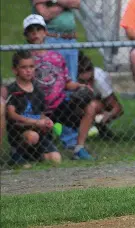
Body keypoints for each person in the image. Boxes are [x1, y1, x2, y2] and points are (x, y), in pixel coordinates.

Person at [23, 14, 99, 160]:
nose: (35, 33)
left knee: (90, 107)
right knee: (47, 153)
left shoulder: (56, 56)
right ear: (26, 35)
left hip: (58, 105)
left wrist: (80, 86)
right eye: (31, 30)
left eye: (39, 29)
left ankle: (79, 148)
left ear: (45, 32)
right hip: (38, 108)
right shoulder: (26, 59)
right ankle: (28, 151)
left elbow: (66, 82)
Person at [6, 51, 61, 166]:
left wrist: (46, 120)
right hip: (21, 134)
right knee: (32, 136)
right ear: (15, 70)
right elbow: (12, 115)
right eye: (24, 67)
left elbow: (40, 113)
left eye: (31, 66)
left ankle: (35, 157)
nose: (28, 70)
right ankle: (17, 155)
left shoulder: (38, 90)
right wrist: (35, 122)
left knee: (56, 159)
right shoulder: (12, 90)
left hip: (39, 133)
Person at [78, 52, 124, 138]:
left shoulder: (100, 78)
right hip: (77, 106)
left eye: (90, 80)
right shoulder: (71, 79)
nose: (87, 84)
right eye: (83, 82)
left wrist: (107, 116)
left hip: (97, 105)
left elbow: (118, 108)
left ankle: (98, 126)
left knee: (92, 105)